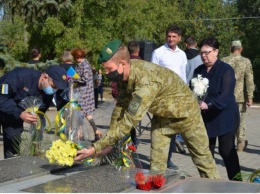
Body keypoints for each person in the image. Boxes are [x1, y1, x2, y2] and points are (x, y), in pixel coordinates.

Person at [74, 39, 220, 179]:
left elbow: (130, 119)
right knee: (156, 166)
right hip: (163, 118)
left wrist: (97, 147)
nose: (106, 73)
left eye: (109, 69)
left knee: (203, 160)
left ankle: (216, 189)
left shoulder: (146, 81)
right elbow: (120, 110)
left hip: (187, 115)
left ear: (123, 63)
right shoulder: (124, 77)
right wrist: (107, 144)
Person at [193, 37, 241, 181]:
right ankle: (209, 182)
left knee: (226, 151)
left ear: (216, 51)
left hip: (225, 116)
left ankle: (237, 182)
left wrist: (209, 104)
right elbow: (194, 91)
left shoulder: (226, 70)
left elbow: (226, 95)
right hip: (207, 118)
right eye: (201, 53)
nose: (204, 56)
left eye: (207, 52)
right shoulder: (198, 71)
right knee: (206, 153)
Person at [0, 65, 67, 158]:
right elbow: (2, 99)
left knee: (14, 144)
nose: (54, 90)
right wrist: (19, 113)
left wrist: (38, 135)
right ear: (44, 77)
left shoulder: (47, 92)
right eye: (53, 86)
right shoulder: (19, 76)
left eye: (57, 88)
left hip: (14, 116)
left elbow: (41, 112)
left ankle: (11, 170)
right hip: (7, 105)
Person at [151, 25, 187, 169]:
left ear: (179, 38)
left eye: (174, 36)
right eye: (169, 36)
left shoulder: (182, 54)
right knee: (159, 130)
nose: (171, 39)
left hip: (177, 98)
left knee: (173, 129)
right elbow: (153, 75)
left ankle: (168, 159)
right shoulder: (158, 52)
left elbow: (183, 76)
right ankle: (157, 160)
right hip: (162, 98)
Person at [222, 40, 254, 152]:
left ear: (231, 48)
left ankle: (227, 142)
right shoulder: (246, 61)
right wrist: (250, 97)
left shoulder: (224, 60)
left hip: (225, 97)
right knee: (240, 120)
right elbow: (249, 80)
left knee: (226, 119)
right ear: (241, 49)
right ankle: (240, 142)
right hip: (240, 97)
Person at [71, 48, 102, 142]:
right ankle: (84, 135)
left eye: (77, 57)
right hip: (81, 91)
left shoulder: (85, 65)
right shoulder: (81, 64)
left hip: (84, 93)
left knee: (84, 113)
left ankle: (94, 133)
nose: (76, 59)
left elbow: (85, 79)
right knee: (83, 113)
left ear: (80, 56)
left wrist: (73, 78)